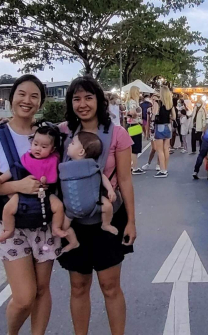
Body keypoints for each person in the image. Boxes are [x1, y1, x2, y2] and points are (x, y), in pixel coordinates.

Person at [0, 74, 59, 335]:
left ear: (41, 103)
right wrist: (18, 186)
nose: (27, 100)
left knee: (43, 289)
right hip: (12, 222)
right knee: (24, 297)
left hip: (44, 222)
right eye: (22, 94)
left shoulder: (46, 133)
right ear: (11, 98)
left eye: (34, 96)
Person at [57, 76, 136, 335]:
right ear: (70, 103)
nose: (83, 104)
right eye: (76, 98)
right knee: (78, 285)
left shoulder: (118, 133)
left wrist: (132, 221)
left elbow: (124, 179)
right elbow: (32, 140)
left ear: (99, 101)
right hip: (74, 220)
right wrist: (2, 123)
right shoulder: (64, 133)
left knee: (110, 285)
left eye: (88, 97)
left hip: (109, 217)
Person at [0, 124, 66, 245]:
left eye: (44, 146)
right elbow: (13, 171)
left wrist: (45, 181)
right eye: (35, 144)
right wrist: (0, 179)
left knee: (58, 206)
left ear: (52, 149)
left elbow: (52, 179)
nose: (38, 149)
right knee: (8, 209)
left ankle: (56, 228)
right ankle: (9, 229)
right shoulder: (26, 158)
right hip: (22, 194)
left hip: (44, 194)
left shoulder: (53, 160)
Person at [63, 131, 119, 236]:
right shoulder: (65, 165)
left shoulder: (91, 164)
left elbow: (102, 176)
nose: (69, 144)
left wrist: (110, 190)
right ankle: (73, 242)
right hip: (71, 207)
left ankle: (106, 224)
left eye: (73, 143)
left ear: (81, 152)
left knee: (107, 206)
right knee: (63, 228)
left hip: (93, 200)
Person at [152, 86, 175, 178]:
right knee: (166, 149)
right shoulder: (170, 104)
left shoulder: (158, 103)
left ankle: (162, 170)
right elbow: (174, 116)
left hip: (159, 126)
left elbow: (154, 115)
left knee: (160, 150)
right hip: (168, 126)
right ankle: (165, 168)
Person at [125, 87, 145, 175]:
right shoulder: (133, 102)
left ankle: (131, 166)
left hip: (130, 125)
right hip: (134, 125)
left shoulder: (128, 101)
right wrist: (138, 115)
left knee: (131, 147)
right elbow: (132, 113)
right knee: (135, 148)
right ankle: (135, 167)